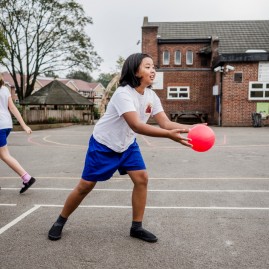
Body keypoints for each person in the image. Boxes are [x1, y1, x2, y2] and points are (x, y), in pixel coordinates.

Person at [48, 53, 194, 243]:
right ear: (135, 71)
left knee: (142, 178)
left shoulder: (151, 95)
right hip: (104, 144)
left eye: (154, 67)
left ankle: (136, 227)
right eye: (148, 66)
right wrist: (168, 136)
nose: (153, 71)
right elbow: (137, 125)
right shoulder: (123, 93)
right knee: (85, 186)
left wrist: (192, 129)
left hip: (127, 144)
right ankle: (60, 221)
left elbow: (165, 123)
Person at [0, 74, 36, 193]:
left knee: (5, 155)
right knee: (3, 154)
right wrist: (24, 125)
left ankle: (27, 178)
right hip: (7, 125)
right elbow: (13, 108)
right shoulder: (4, 89)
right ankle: (26, 178)